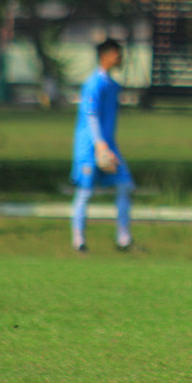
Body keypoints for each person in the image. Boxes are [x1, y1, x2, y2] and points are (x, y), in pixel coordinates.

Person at [70, 38, 135, 252]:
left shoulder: (112, 85)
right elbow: (91, 116)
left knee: (125, 185)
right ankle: (78, 240)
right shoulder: (93, 84)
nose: (120, 58)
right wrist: (99, 144)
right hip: (91, 147)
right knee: (85, 191)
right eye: (117, 54)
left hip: (108, 145)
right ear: (106, 56)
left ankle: (123, 238)